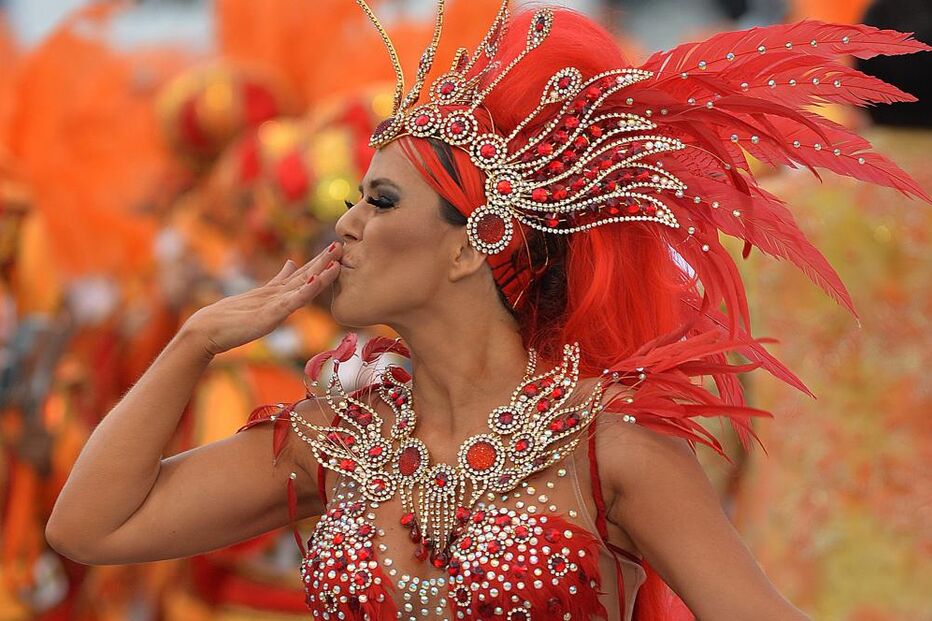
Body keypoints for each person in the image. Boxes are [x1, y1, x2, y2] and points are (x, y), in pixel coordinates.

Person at [45, 3, 929, 620]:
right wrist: (195, 340)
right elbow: (88, 527)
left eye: (380, 202)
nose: (345, 225)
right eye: (352, 199)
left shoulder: (607, 448)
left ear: (474, 244)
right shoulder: (339, 437)